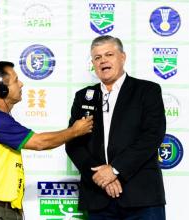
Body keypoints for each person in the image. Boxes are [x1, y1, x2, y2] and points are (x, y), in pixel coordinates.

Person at [0, 61, 93, 220]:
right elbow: (40, 142)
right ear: (2, 89)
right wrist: (75, 131)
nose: (21, 84)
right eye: (16, 80)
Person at [65, 35, 166, 219]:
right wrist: (102, 178)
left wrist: (114, 169)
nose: (103, 60)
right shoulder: (83, 96)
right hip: (98, 198)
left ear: (123, 57)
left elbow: (152, 136)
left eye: (109, 54)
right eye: (97, 57)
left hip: (142, 197)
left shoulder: (148, 90)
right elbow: (73, 143)